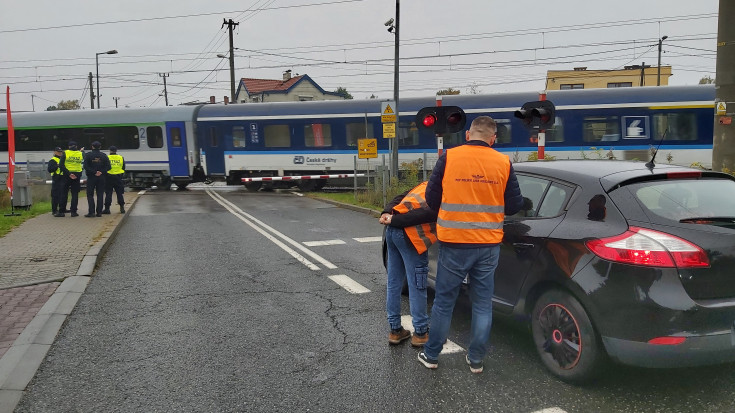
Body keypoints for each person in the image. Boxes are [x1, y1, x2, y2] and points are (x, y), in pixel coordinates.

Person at [418, 116, 523, 374]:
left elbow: (432, 199)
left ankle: (431, 355)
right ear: (493, 138)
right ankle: (475, 360)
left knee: (444, 301)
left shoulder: (449, 158)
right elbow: (514, 205)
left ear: (468, 135)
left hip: (454, 243)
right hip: (488, 244)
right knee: (482, 303)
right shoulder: (503, 162)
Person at [380, 181, 438, 347]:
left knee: (394, 282)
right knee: (417, 285)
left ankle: (395, 330)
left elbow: (400, 197)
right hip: (410, 237)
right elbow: (428, 214)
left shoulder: (425, 184)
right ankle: (420, 332)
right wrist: (395, 219)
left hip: (392, 233)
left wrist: (387, 212)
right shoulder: (445, 190)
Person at [83, 141, 110, 218]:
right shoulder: (104, 156)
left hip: (91, 177)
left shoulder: (88, 155)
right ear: (100, 147)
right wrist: (101, 172)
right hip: (101, 177)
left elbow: (86, 166)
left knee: (90, 194)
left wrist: (94, 172)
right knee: (100, 194)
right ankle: (99, 212)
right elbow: (108, 167)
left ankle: (91, 212)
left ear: (92, 147)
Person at [59, 141, 85, 217]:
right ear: (76, 147)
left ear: (69, 146)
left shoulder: (65, 153)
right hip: (77, 175)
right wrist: (82, 151)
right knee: (75, 194)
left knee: (64, 193)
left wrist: (69, 174)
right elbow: (86, 160)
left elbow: (61, 165)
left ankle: (61, 211)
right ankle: (73, 212)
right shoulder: (81, 154)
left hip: (67, 175)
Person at [104, 146, 126, 214]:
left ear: (109, 150)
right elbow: (123, 167)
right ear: (116, 150)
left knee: (108, 193)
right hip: (118, 177)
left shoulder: (107, 157)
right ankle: (122, 208)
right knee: (119, 193)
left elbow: (104, 167)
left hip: (108, 177)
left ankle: (107, 209)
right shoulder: (121, 157)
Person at [47, 147, 66, 217]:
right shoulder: (53, 160)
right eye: (58, 152)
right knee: (55, 196)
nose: (60, 153)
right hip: (56, 179)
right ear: (54, 152)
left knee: (62, 195)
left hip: (63, 178)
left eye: (61, 152)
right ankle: (54, 210)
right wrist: (57, 166)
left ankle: (62, 209)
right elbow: (50, 170)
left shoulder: (62, 159)